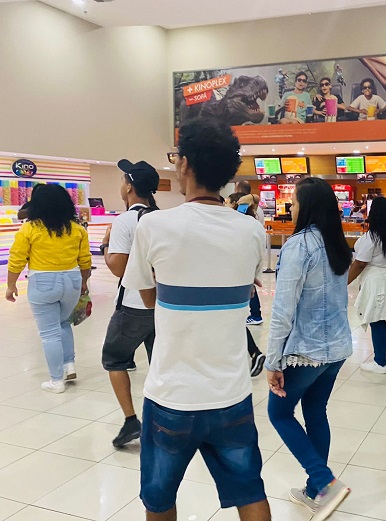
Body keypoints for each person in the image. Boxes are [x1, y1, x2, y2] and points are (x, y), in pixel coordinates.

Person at [122, 118, 270, 521]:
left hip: (172, 393)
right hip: (231, 392)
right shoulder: (252, 231)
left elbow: (149, 297)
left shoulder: (153, 225)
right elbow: (249, 285)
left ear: (184, 164)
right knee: (249, 489)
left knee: (159, 497)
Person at [265, 177, 353, 520]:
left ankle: (324, 481)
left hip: (305, 352)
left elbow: (283, 309)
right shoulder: (337, 243)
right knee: (316, 411)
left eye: (296, 201)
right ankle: (316, 491)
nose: (292, 207)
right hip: (337, 349)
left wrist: (273, 360)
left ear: (308, 207)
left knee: (279, 413)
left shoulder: (299, 245)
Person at [5, 184, 91, 393]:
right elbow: (85, 261)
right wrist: (84, 283)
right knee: (64, 323)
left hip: (43, 281)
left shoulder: (29, 228)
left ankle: (56, 380)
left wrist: (11, 285)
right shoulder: (77, 229)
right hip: (71, 279)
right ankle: (69, 364)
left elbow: (17, 259)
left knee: (49, 333)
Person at [100, 159, 159, 448]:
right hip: (163, 304)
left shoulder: (124, 221)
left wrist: (105, 245)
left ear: (130, 186)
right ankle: (161, 419)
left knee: (114, 359)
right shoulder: (163, 217)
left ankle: (130, 420)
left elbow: (119, 267)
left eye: (123, 180)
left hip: (133, 304)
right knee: (159, 363)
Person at [348, 197, 386, 374]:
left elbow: (359, 264)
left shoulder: (372, 236)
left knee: (375, 318)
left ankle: (379, 363)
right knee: (379, 317)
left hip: (375, 280)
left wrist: (345, 282)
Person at [237, 180, 265, 325]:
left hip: (245, 249)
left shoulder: (242, 210)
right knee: (249, 282)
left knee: (248, 283)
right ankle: (254, 313)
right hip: (255, 248)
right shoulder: (257, 209)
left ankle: (255, 313)